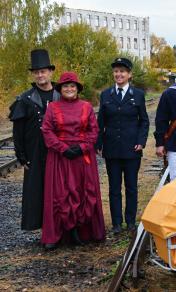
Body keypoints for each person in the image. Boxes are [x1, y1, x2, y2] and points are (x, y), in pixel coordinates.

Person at [41, 72, 105, 249]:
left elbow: (94, 130)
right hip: (60, 157)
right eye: (65, 86)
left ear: (77, 89)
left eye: (72, 86)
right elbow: (46, 130)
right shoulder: (52, 107)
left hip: (82, 157)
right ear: (60, 89)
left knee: (84, 192)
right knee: (60, 194)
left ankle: (81, 230)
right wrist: (63, 148)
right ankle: (58, 234)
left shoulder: (86, 106)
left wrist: (82, 147)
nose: (69, 89)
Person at [96, 57, 150, 234]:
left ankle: (131, 221)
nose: (119, 74)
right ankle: (117, 223)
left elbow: (144, 121)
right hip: (112, 148)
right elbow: (100, 122)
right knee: (114, 188)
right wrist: (99, 143)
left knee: (131, 187)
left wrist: (141, 142)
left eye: (122, 71)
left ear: (129, 74)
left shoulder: (138, 95)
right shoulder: (106, 95)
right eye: (116, 71)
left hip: (132, 148)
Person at [8, 49, 60, 231]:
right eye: (36, 72)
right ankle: (46, 232)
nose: (40, 75)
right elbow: (18, 131)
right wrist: (21, 157)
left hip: (58, 152)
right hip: (35, 153)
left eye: (43, 71)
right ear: (33, 74)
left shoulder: (61, 95)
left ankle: (61, 228)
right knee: (37, 192)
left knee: (59, 190)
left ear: (50, 72)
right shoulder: (25, 99)